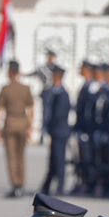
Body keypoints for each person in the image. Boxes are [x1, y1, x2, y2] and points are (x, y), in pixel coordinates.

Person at [0, 60, 35, 198]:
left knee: (11, 156)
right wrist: (30, 126)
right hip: (22, 122)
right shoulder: (26, 88)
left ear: (9, 72)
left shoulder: (5, 89)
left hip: (10, 122)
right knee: (21, 156)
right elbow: (31, 109)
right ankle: (21, 184)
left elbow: (0, 109)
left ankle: (15, 185)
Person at [40, 64, 72, 196]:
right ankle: (46, 186)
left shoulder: (63, 94)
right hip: (54, 131)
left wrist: (51, 128)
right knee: (53, 159)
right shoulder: (51, 92)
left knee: (59, 159)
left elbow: (60, 114)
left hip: (59, 131)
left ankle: (60, 186)